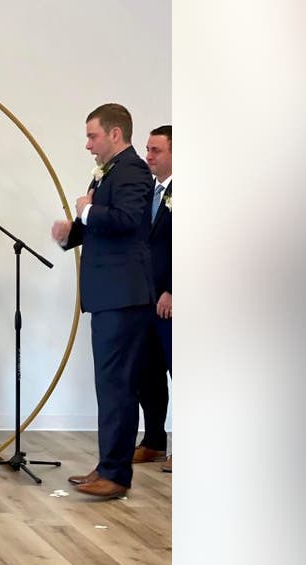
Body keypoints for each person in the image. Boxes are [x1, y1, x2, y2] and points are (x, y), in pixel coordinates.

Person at [51, 103, 155, 499]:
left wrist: (87, 209)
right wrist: (71, 233)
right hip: (110, 294)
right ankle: (108, 465)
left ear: (115, 134)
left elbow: (128, 220)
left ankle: (115, 475)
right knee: (109, 384)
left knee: (117, 385)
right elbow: (103, 225)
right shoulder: (111, 171)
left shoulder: (132, 170)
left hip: (124, 295)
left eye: (93, 136)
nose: (88, 145)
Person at [134, 125, 173, 473]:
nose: (148, 156)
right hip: (144, 299)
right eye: (147, 149)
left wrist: (175, 289)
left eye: (156, 150)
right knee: (149, 374)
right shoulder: (148, 192)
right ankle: (154, 441)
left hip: (173, 301)